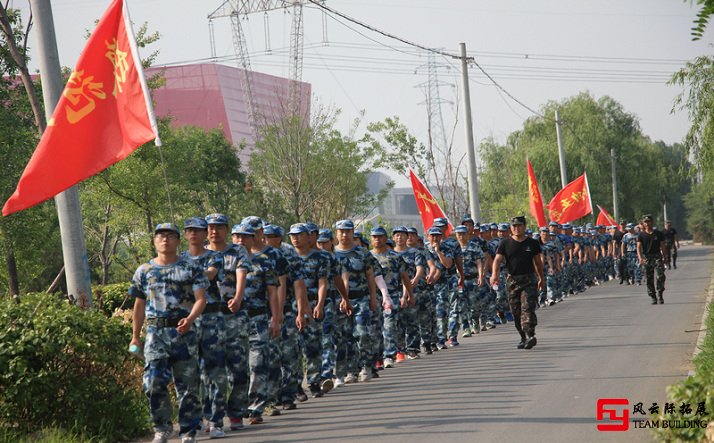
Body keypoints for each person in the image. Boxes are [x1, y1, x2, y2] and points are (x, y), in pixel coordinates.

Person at [129, 223, 208, 443]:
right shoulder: (144, 271)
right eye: (161, 236)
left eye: (170, 236)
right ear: (154, 241)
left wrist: (190, 319)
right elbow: (139, 305)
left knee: (188, 385)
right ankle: (162, 427)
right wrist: (136, 335)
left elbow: (201, 299)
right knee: (153, 383)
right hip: (156, 334)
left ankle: (189, 429)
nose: (165, 240)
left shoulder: (190, 268)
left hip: (184, 332)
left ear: (177, 241)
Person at [180, 217, 226, 438]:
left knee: (214, 371)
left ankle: (216, 420)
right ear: (185, 234)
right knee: (190, 373)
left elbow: (209, 275)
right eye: (190, 230)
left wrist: (186, 275)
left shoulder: (214, 257)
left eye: (199, 230)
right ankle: (194, 418)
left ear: (205, 234)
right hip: (187, 320)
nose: (194, 234)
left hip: (212, 319)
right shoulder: (178, 259)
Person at [490, 216, 545, 350]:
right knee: (516, 311)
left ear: (524, 227)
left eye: (519, 225)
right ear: (511, 228)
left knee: (527, 307)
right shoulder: (505, 243)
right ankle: (523, 337)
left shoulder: (532, 243)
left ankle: (530, 334)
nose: (516, 228)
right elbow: (497, 260)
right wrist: (494, 275)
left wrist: (541, 278)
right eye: (514, 226)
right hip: (513, 281)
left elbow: (538, 262)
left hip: (529, 280)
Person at [637, 214, 667, 304]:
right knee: (649, 278)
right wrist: (640, 258)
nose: (647, 223)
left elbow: (662, 246)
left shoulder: (658, 233)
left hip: (657, 256)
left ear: (652, 222)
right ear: (643, 223)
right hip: (647, 258)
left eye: (648, 221)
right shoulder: (641, 235)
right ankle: (653, 296)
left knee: (661, 276)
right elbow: (638, 247)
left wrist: (665, 257)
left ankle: (660, 293)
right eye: (645, 222)